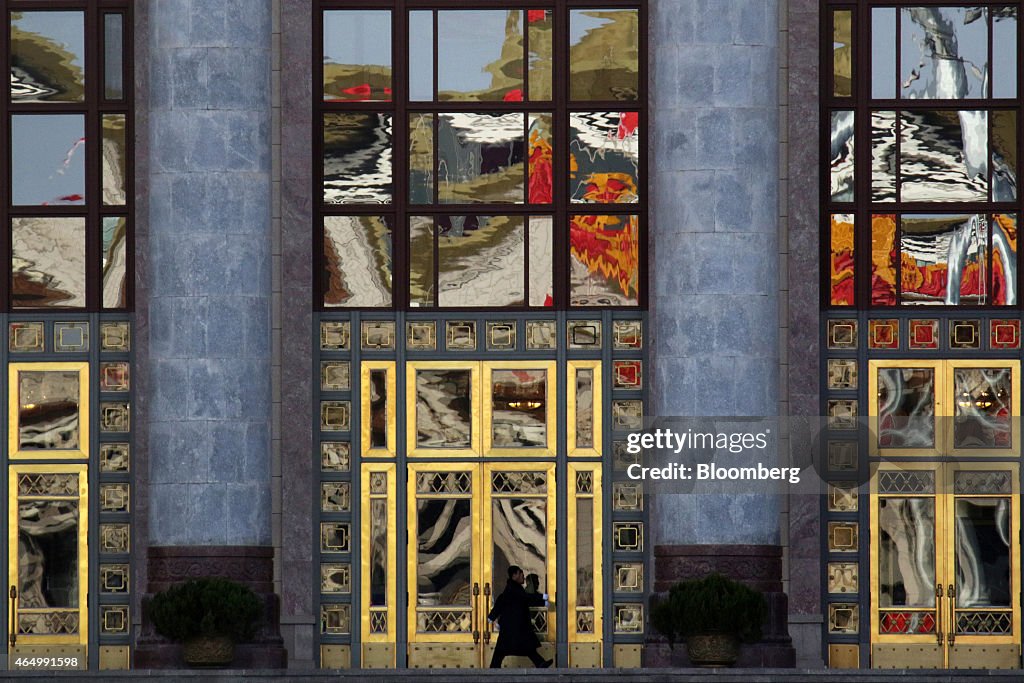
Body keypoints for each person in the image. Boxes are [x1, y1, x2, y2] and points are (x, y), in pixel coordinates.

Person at [487, 565, 553, 668]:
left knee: (506, 648)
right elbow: (526, 598)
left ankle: (540, 663)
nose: (523, 575)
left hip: (511, 626)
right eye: (520, 573)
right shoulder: (514, 589)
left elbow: (501, 602)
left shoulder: (512, 588)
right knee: (521, 647)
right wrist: (543, 599)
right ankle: (540, 663)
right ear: (514, 575)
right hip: (514, 626)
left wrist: (492, 616)